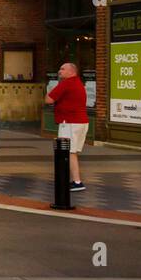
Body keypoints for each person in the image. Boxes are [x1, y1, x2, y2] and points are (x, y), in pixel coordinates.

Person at [46, 62, 89, 192]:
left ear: (72, 72)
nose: (60, 71)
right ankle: (75, 180)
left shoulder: (66, 83)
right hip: (81, 121)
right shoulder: (79, 84)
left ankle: (76, 182)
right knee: (72, 152)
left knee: (67, 152)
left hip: (70, 122)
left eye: (63, 69)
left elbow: (48, 99)